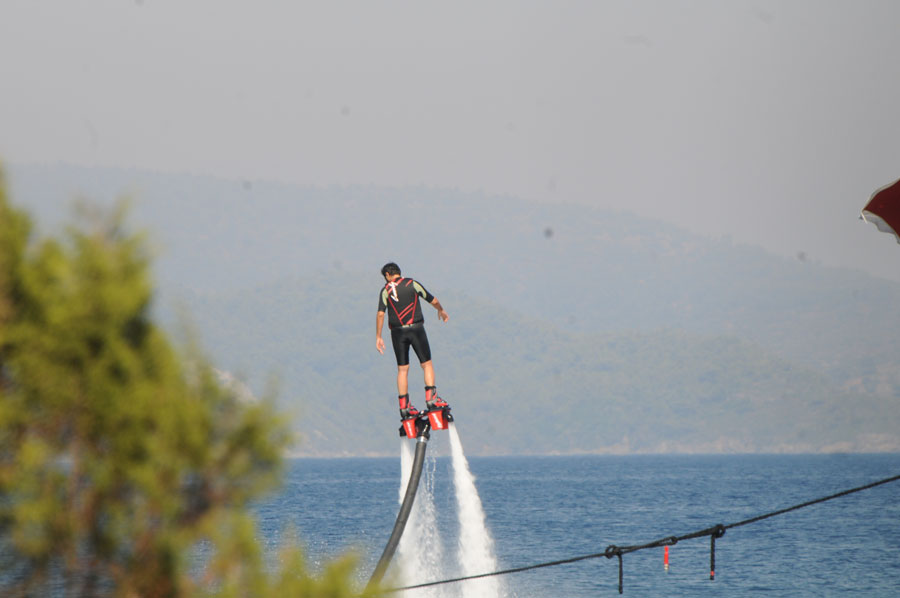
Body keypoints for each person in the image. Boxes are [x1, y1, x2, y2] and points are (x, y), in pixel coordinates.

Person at [375, 262, 449, 420]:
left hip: (397, 332)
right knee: (426, 364)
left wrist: (378, 336)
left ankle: (404, 406)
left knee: (402, 369)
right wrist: (441, 310)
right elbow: (433, 299)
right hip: (416, 329)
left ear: (388, 275)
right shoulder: (412, 284)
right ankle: (431, 398)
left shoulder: (386, 290)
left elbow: (381, 314)